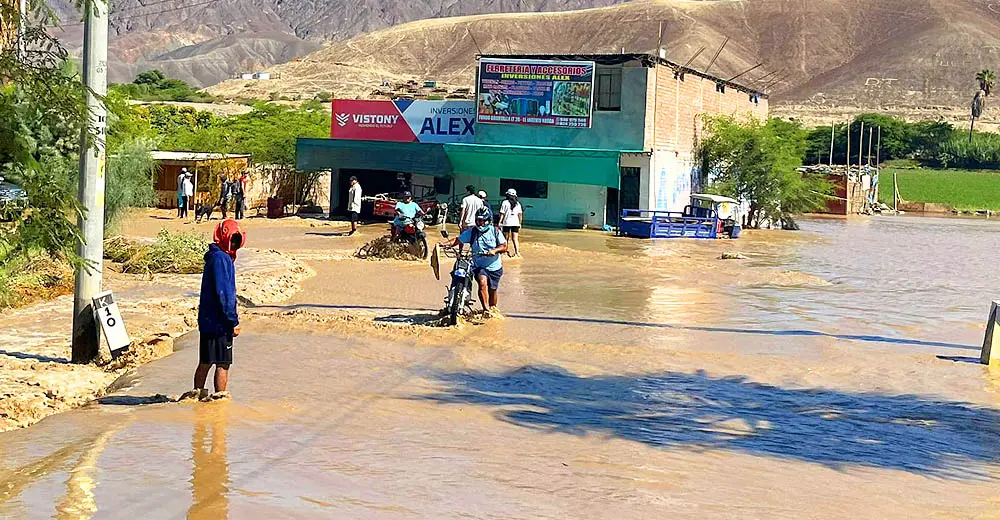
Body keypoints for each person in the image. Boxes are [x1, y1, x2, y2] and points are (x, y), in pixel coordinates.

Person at [181, 219, 245, 402]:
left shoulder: (214, 256)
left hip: (208, 320)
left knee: (206, 361)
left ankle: (196, 397)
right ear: (225, 238)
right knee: (223, 364)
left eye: (237, 241)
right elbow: (224, 294)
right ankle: (219, 404)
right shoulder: (222, 259)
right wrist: (233, 321)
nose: (234, 245)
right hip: (219, 322)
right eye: (233, 240)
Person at [441, 206, 507, 315]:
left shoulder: (495, 231)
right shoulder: (472, 231)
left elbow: (504, 246)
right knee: (482, 283)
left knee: (493, 289)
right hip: (479, 265)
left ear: (488, 221)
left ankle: (493, 309)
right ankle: (486, 310)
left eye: (482, 221)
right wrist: (444, 244)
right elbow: (458, 240)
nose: (480, 223)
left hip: (494, 266)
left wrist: (494, 251)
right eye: (478, 220)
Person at [499, 188, 523, 257]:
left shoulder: (505, 202)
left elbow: (502, 213)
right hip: (516, 223)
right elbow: (520, 215)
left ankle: (504, 252)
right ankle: (517, 253)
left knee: (505, 238)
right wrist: (520, 223)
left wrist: (499, 222)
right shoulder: (518, 204)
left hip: (506, 223)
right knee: (515, 239)